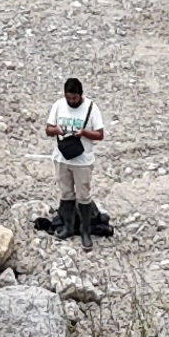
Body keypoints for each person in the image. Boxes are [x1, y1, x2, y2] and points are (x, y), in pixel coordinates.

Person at [40, 76, 107, 238]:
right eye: (68, 98)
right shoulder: (58, 105)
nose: (71, 101)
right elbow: (48, 130)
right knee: (66, 194)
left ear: (81, 95)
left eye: (74, 98)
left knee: (84, 195)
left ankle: (85, 231)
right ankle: (68, 227)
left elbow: (100, 134)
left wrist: (83, 133)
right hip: (62, 158)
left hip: (83, 160)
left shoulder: (91, 107)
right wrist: (58, 130)